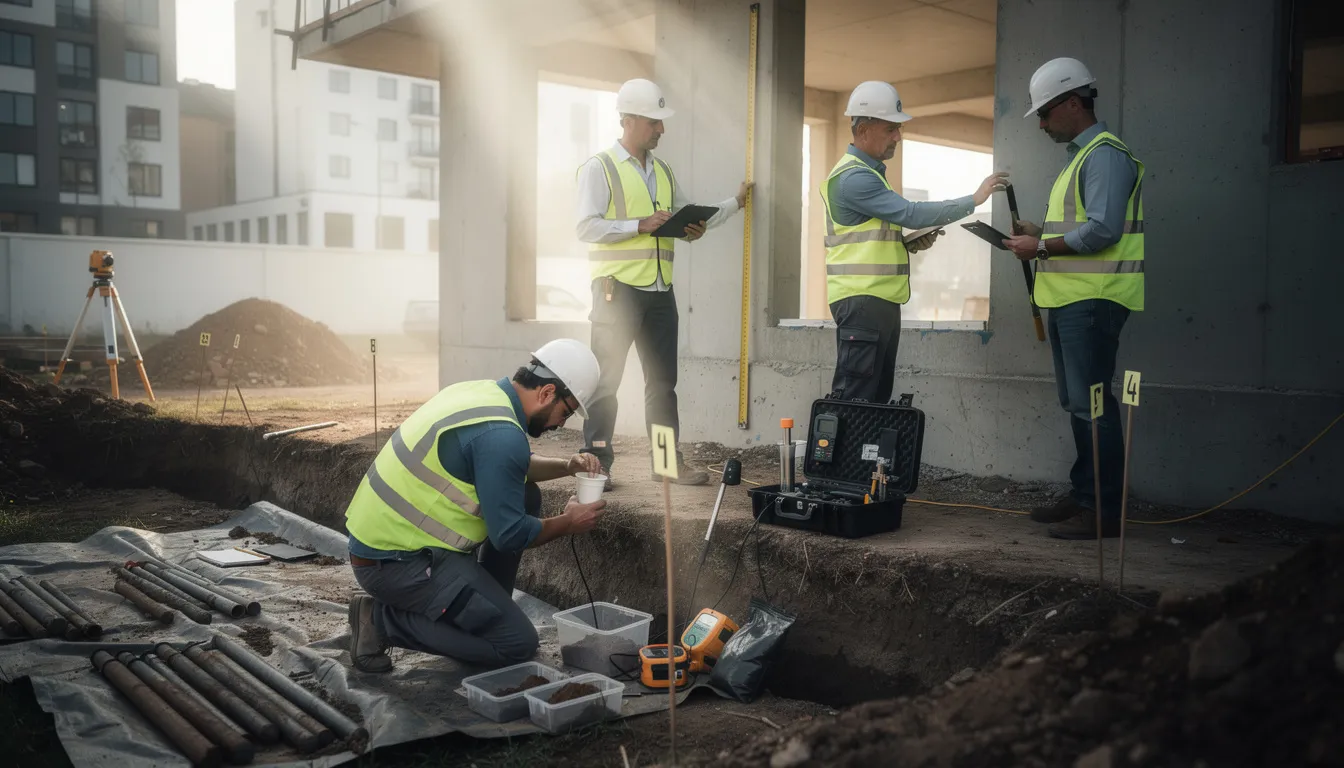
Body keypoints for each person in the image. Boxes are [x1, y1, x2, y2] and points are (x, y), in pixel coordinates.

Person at [344, 339, 609, 672]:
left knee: (526, 495)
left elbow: (507, 465)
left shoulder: (481, 395)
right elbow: (510, 535)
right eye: (565, 412)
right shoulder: (501, 434)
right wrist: (568, 522)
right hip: (396, 564)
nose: (560, 423)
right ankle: (380, 621)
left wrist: (566, 466)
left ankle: (485, 605)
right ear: (546, 392)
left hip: (386, 545)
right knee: (516, 643)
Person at [575, 78, 751, 488]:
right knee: (606, 383)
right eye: (654, 122)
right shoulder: (600, 167)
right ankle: (597, 465)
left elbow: (686, 214)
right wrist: (639, 225)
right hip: (616, 292)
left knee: (662, 385)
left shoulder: (663, 171)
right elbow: (585, 226)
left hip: (659, 293)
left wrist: (727, 208)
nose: (661, 129)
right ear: (628, 120)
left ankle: (666, 464)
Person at [1001, 57, 1145, 540]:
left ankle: (1101, 510)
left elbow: (1103, 230)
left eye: (1044, 113)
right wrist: (1040, 233)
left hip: (1093, 300)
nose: (1041, 124)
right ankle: (1086, 496)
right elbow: (1083, 226)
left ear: (1072, 103)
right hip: (1072, 300)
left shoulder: (1104, 155)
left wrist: (1040, 247)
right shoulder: (1083, 158)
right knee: (1080, 403)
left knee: (1094, 404)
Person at [821, 81, 1008, 405]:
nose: (898, 136)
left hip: (874, 301)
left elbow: (867, 240)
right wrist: (973, 199)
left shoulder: (868, 175)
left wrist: (905, 245)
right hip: (863, 302)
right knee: (857, 400)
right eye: (890, 129)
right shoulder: (854, 178)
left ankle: (865, 442)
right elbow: (910, 213)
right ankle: (846, 443)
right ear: (863, 130)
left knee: (874, 400)